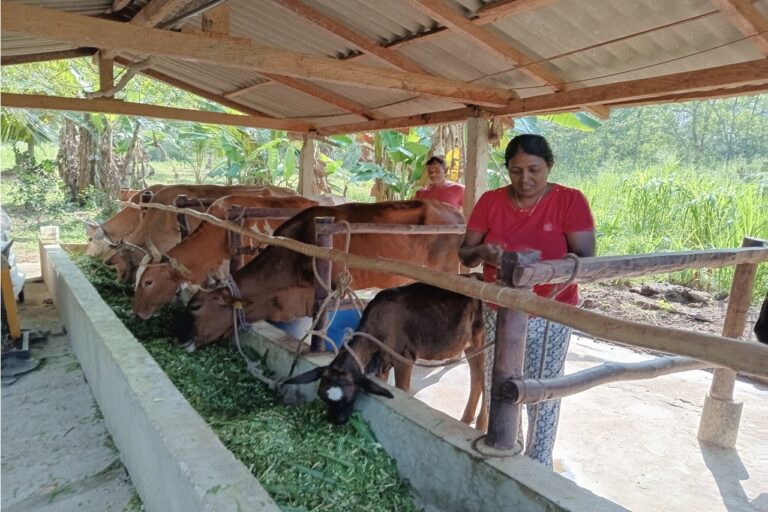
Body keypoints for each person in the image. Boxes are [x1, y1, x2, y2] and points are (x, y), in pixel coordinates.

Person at [458, 134, 596, 467]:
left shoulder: (569, 201)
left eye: (534, 169)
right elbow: (465, 255)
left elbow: (586, 257)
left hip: (550, 310)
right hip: (498, 309)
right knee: (500, 384)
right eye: (516, 171)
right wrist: (483, 251)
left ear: (549, 166)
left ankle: (539, 462)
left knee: (542, 390)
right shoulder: (490, 202)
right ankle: (507, 451)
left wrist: (535, 272)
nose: (525, 179)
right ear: (506, 169)